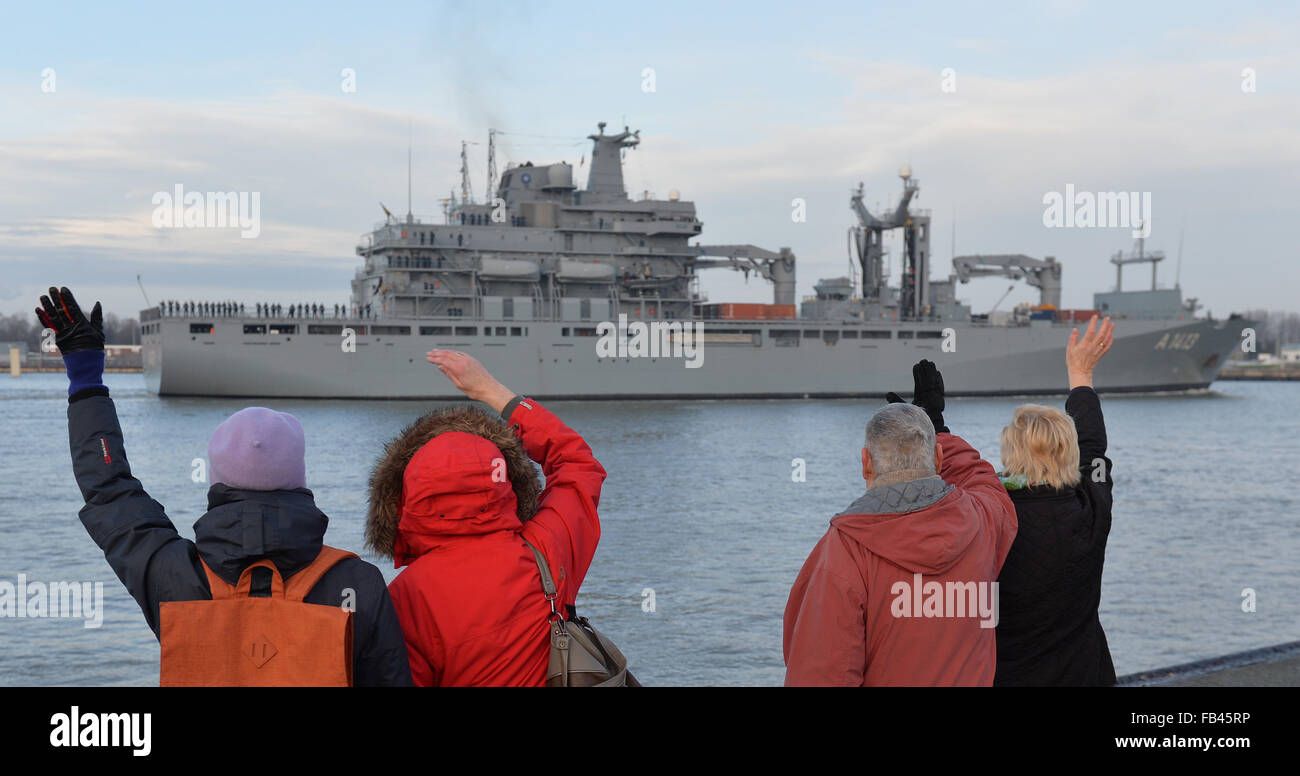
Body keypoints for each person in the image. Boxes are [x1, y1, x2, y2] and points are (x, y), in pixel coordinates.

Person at [36, 286, 412, 686]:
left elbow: (108, 487)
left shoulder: (173, 577)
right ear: (300, 481)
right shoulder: (358, 582)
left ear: (216, 481)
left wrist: (85, 376)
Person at [365, 350, 607, 686]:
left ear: (403, 498)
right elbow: (578, 464)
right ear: (510, 481)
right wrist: (490, 391)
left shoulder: (405, 596)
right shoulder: (547, 547)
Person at [783, 360, 1018, 686]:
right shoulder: (982, 522)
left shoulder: (843, 553)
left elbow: (820, 674)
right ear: (937, 459)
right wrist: (938, 428)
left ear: (865, 464)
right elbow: (983, 480)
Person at [994, 316, 1117, 686]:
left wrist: (935, 423)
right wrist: (1081, 376)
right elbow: (1094, 449)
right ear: (1069, 452)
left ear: (1009, 454)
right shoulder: (1093, 507)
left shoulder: (987, 516)